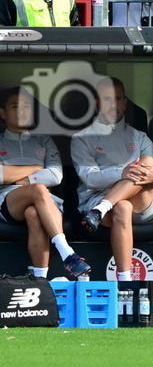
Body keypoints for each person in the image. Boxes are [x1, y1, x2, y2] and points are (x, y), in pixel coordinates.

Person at [72, 77, 153, 282]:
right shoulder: (81, 138)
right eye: (107, 99)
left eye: (118, 98)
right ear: (97, 103)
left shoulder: (139, 136)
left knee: (148, 161)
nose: (113, 104)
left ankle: (103, 208)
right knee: (122, 206)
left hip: (140, 204)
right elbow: (90, 178)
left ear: (125, 103)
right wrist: (121, 173)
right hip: (97, 200)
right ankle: (125, 282)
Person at [0, 87, 90, 279]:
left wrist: (18, 177)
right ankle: (68, 254)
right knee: (39, 189)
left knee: (34, 212)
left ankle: (40, 279)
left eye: (26, 106)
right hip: (7, 200)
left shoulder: (44, 140)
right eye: (15, 106)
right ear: (2, 113)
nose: (21, 111)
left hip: (44, 201)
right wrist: (36, 168)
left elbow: (56, 176)